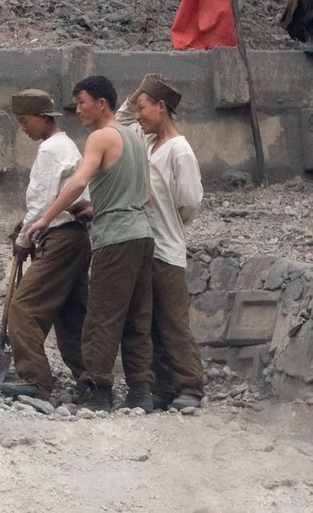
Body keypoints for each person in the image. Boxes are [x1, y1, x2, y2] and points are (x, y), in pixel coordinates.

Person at [24, 75, 155, 412]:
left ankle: (97, 392)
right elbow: (145, 193)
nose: (77, 109)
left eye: (82, 102)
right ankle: (142, 390)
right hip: (142, 234)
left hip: (115, 239)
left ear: (101, 103)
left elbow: (78, 181)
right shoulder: (135, 140)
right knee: (137, 317)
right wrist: (98, 209)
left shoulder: (100, 137)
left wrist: (45, 218)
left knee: (101, 316)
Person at [117, 74, 205, 410]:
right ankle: (164, 386)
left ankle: (191, 387)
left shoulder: (179, 151)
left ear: (161, 107)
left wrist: (168, 223)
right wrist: (137, 91)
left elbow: (189, 204)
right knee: (148, 320)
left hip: (167, 249)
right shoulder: (145, 139)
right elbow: (120, 122)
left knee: (172, 322)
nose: (138, 114)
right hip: (143, 245)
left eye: (144, 107)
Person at [0, 89, 90, 402]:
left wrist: (24, 239)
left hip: (60, 238)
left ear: (43, 118)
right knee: (71, 315)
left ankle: (35, 379)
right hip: (77, 237)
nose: (23, 128)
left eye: (25, 121)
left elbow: (41, 203)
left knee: (22, 310)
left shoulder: (50, 150)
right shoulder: (67, 146)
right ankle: (91, 382)